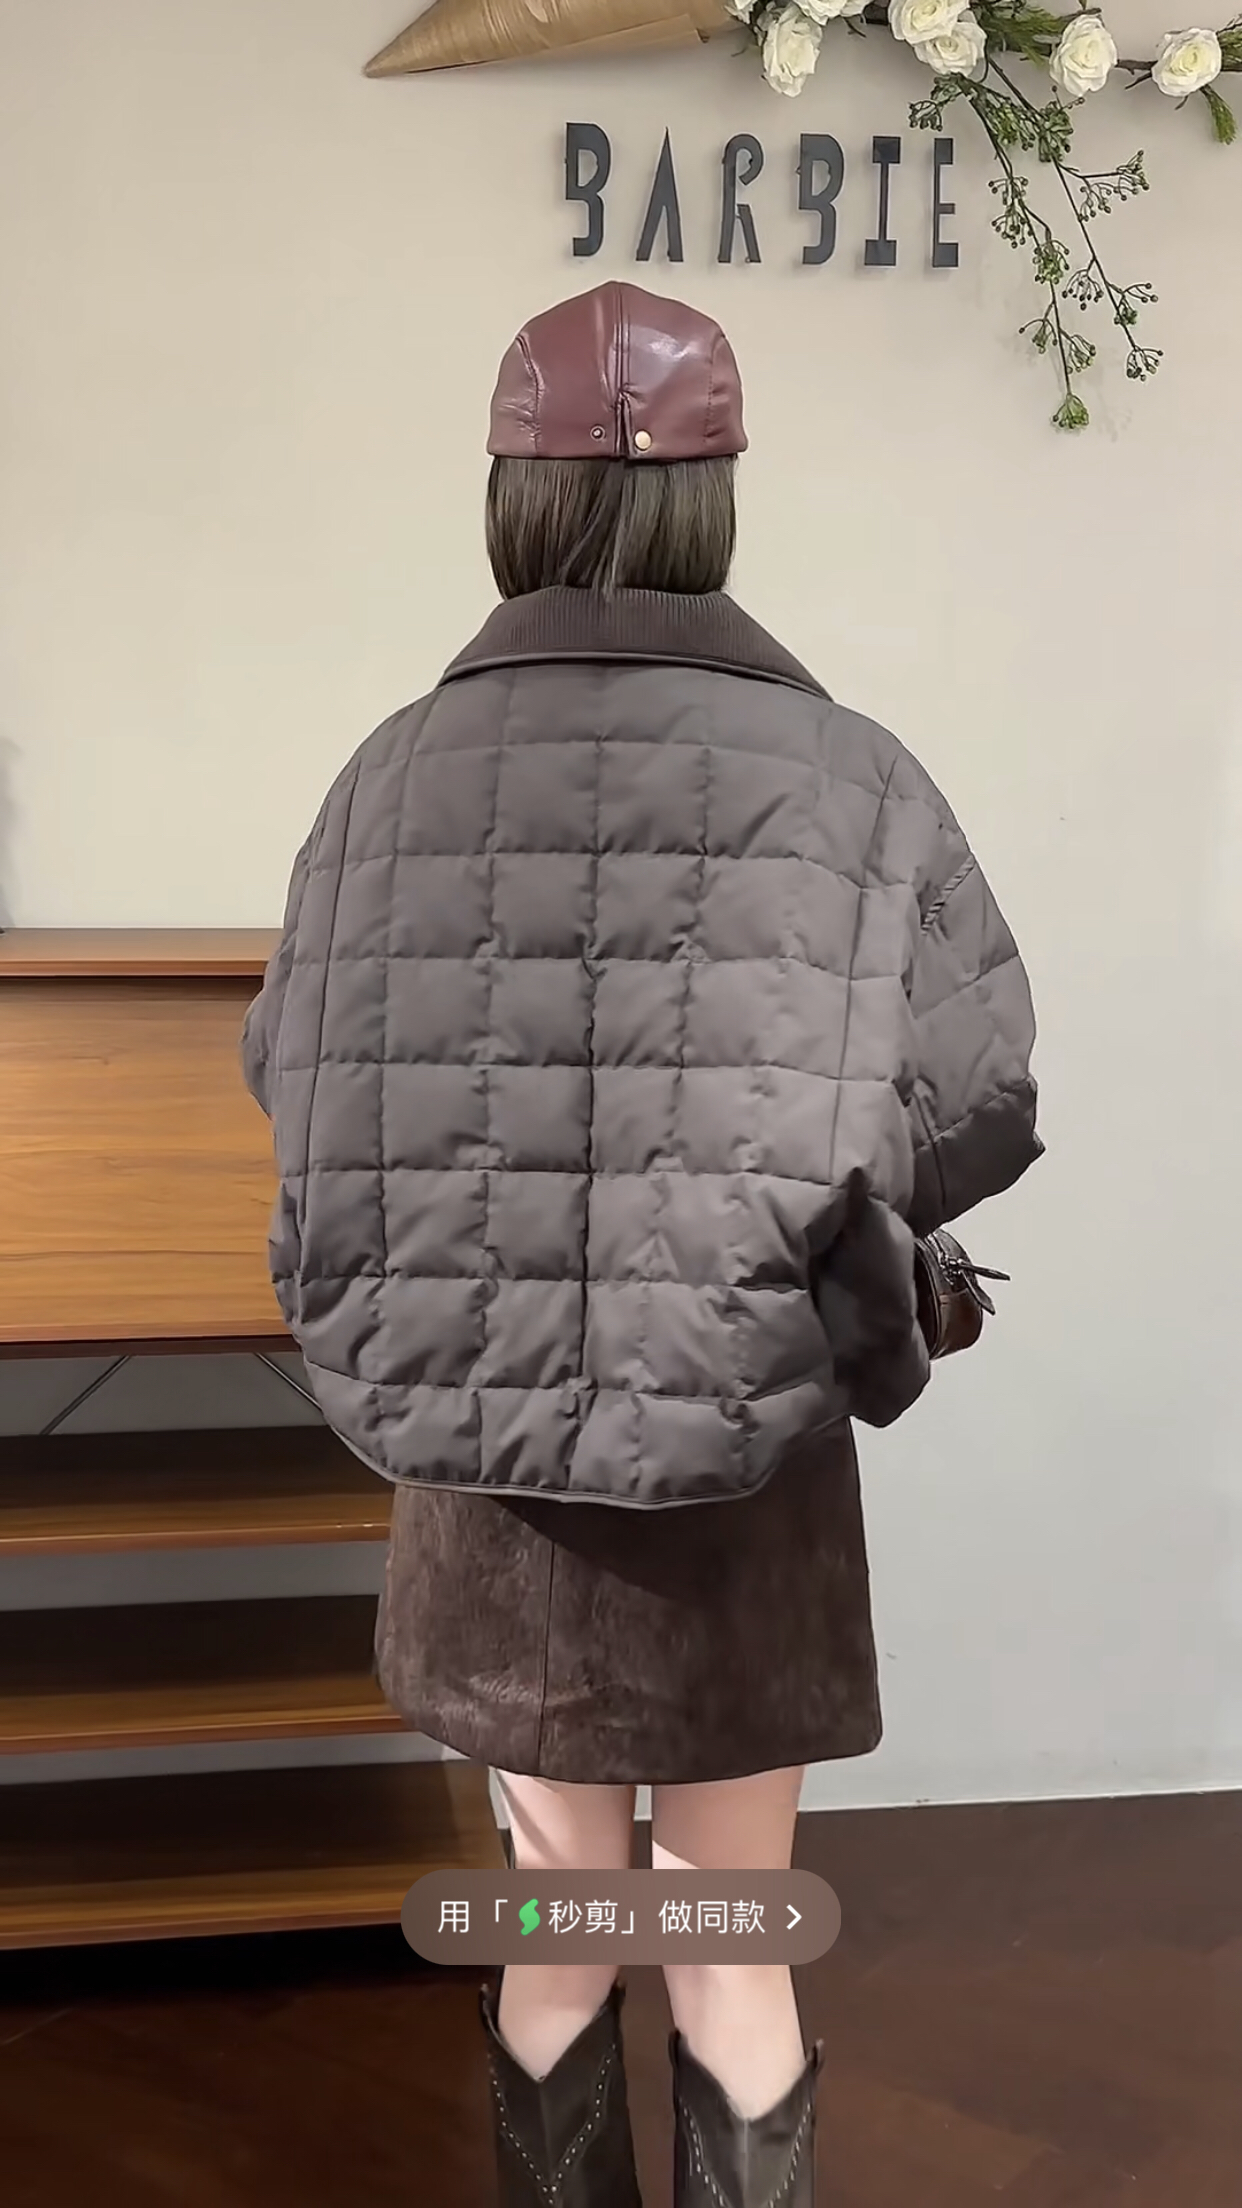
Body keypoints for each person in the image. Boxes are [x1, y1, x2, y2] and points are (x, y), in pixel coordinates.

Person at [241, 280, 1041, 2208]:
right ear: (717, 496)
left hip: (481, 1461)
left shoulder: (385, 778)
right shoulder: (850, 775)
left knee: (556, 1929)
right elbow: (981, 1099)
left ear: (508, 495)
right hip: (746, 1458)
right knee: (730, 1937)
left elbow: (297, 1081)